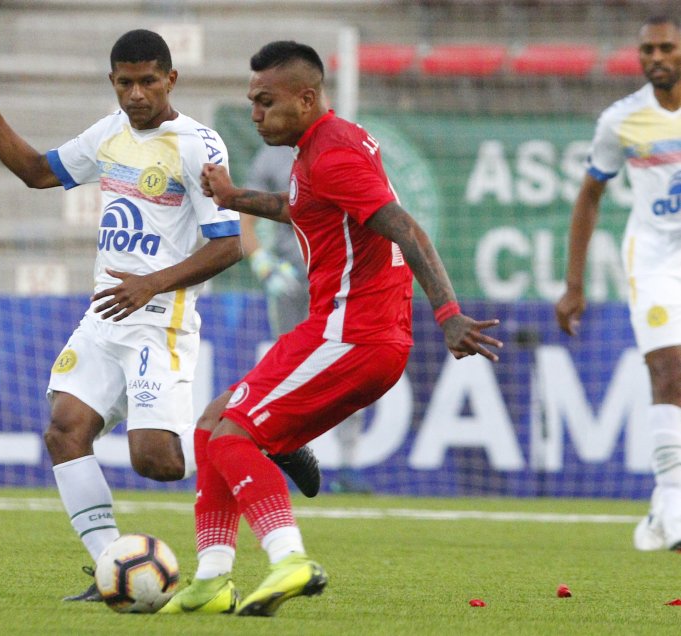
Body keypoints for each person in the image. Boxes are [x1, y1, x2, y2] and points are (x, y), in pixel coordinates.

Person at [0, 29, 321, 602]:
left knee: (160, 463)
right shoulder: (110, 135)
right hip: (105, 316)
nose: (137, 94)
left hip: (159, 318)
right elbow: (37, 172)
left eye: (148, 81)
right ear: (113, 82)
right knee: (64, 431)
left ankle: (257, 437)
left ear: (171, 79)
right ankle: (110, 567)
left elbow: (228, 245)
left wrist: (153, 283)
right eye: (125, 82)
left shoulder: (197, 144)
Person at [159, 40, 502, 616]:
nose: (254, 115)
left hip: (352, 336)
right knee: (213, 422)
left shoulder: (332, 153)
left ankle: (289, 559)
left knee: (234, 436)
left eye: (265, 102)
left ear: (307, 96)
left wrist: (447, 314)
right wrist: (236, 195)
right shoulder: (323, 148)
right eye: (251, 101)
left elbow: (407, 230)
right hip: (339, 331)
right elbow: (306, 207)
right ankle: (215, 576)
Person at [556, 15, 681, 553]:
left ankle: (658, 515)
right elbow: (590, 195)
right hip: (653, 260)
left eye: (667, 48)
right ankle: (675, 507)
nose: (656, 57)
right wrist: (574, 285)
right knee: (668, 371)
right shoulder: (622, 120)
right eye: (648, 49)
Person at [243, 144, 370, 493]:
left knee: (347, 363)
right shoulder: (270, 157)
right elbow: (245, 220)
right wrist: (263, 265)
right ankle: (283, 452)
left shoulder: (340, 149)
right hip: (291, 279)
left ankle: (349, 464)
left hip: (335, 279)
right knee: (283, 365)